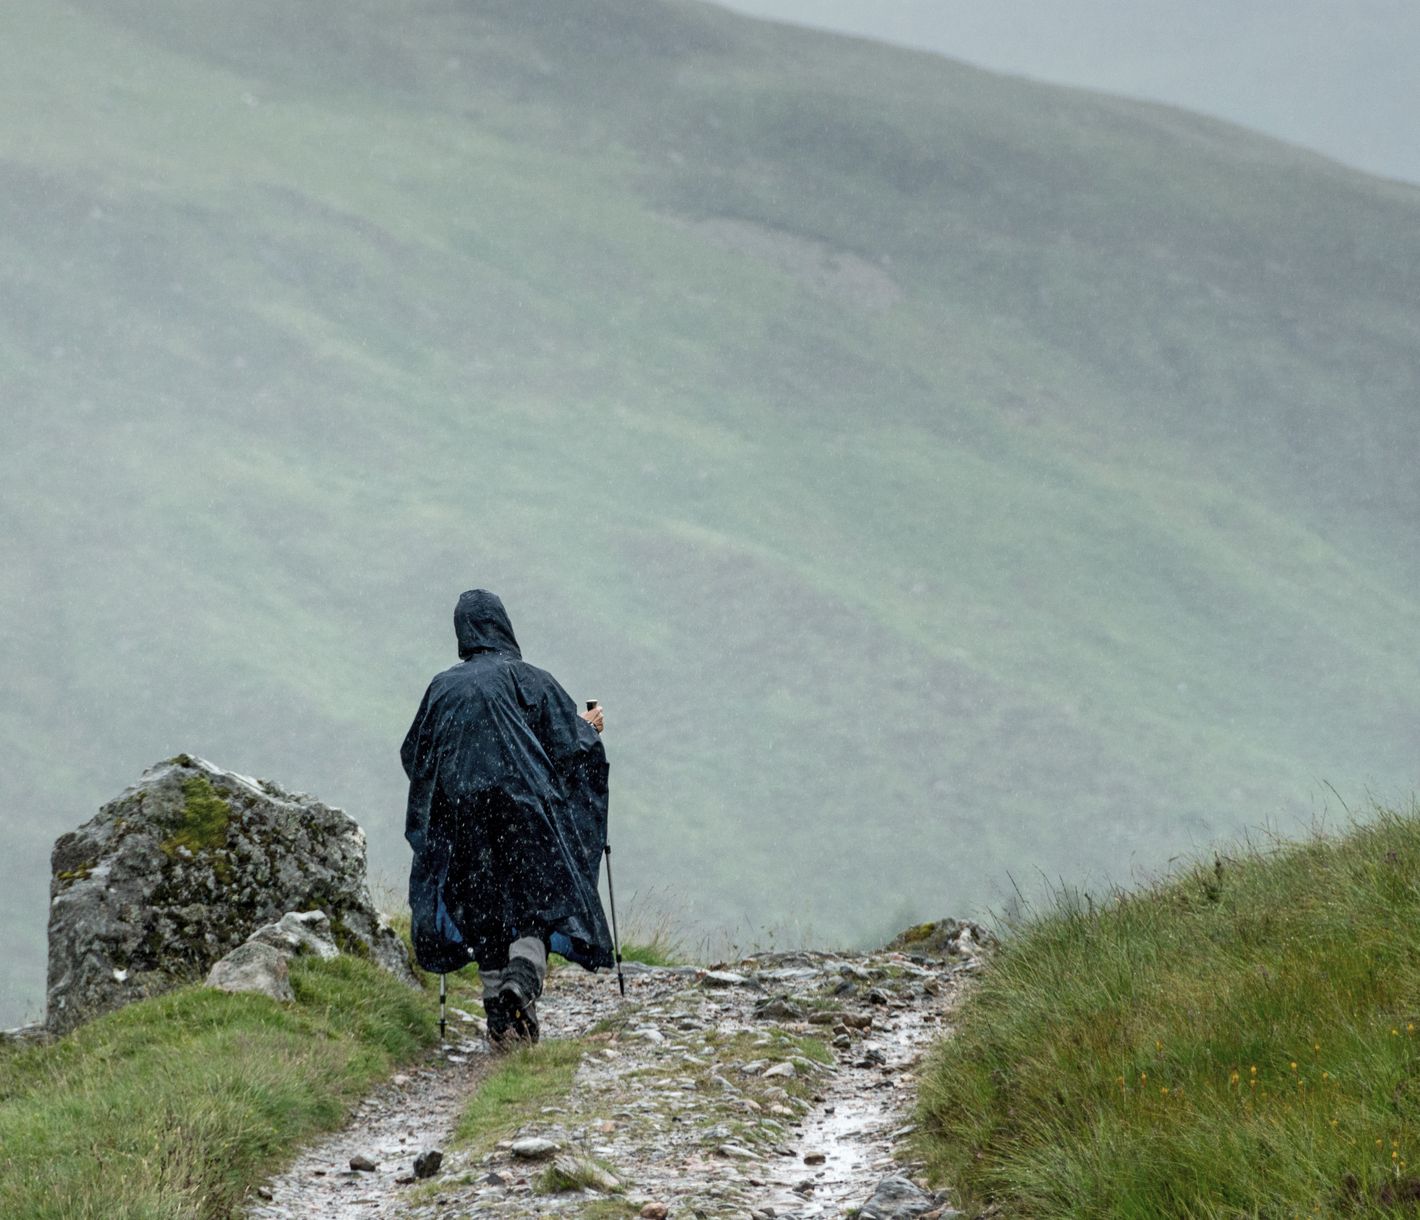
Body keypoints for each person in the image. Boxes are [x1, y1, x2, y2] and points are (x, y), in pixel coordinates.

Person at [401, 589, 614, 1046]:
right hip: (524, 814)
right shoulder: (528, 679)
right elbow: (570, 745)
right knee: (534, 903)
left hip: (461, 820)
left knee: (484, 912)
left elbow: (414, 755)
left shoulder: (442, 687)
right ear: (503, 626)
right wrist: (589, 727)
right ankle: (522, 980)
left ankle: (501, 1017)